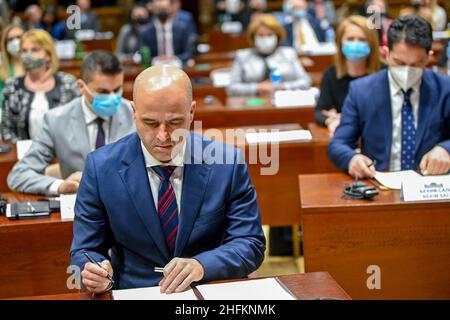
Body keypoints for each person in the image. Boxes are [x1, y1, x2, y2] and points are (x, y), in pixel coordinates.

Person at [70, 64, 266, 293]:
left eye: (174, 122)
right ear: (134, 112)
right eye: (150, 123)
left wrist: (202, 265)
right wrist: (94, 270)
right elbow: (85, 250)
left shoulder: (227, 163)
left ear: (192, 112)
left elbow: (251, 243)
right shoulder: (101, 167)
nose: (163, 136)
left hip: (208, 289)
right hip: (135, 292)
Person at [328, 15, 450, 178]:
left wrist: (446, 149)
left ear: (428, 56)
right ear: (386, 54)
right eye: (399, 63)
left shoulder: (445, 88)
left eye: (416, 64)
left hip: (429, 185)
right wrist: (352, 158)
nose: (407, 71)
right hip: (379, 183)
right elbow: (338, 144)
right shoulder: (361, 90)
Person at [7, 51, 134, 196]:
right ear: (81, 87)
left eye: (117, 90)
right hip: (80, 209)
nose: (112, 97)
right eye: (102, 91)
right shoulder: (56, 120)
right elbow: (18, 175)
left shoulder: (135, 114)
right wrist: (61, 186)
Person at [1, 29, 80, 142]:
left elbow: (78, 123)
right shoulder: (11, 87)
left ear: (48, 54)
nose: (28, 55)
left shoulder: (68, 83)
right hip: (24, 154)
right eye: (24, 51)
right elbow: (6, 130)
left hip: (63, 152)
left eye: (34, 50)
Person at [315, 16, 381, 135]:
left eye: (362, 40)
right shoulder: (331, 74)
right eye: (350, 39)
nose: (355, 44)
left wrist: (347, 120)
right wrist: (330, 121)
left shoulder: (383, 73)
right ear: (340, 42)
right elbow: (320, 112)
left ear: (371, 43)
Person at [227, 14, 311, 96]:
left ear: (277, 36)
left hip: (284, 102)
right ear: (253, 37)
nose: (265, 39)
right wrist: (257, 88)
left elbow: (306, 81)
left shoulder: (289, 54)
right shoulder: (242, 56)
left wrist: (281, 87)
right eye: (261, 35)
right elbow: (232, 88)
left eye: (269, 35)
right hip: (251, 104)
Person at [139, 0, 197, 66]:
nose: (162, 12)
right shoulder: (146, 31)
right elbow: (143, 55)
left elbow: (189, 53)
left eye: (164, 9)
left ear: (170, 8)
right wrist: (156, 60)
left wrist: (175, 59)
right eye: (159, 9)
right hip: (155, 69)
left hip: (178, 67)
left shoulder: (182, 28)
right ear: (152, 8)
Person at [0, 24, 25, 127]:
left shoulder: (37, 67)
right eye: (10, 39)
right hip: (10, 122)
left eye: (19, 37)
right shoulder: (1, 71)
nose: (15, 42)